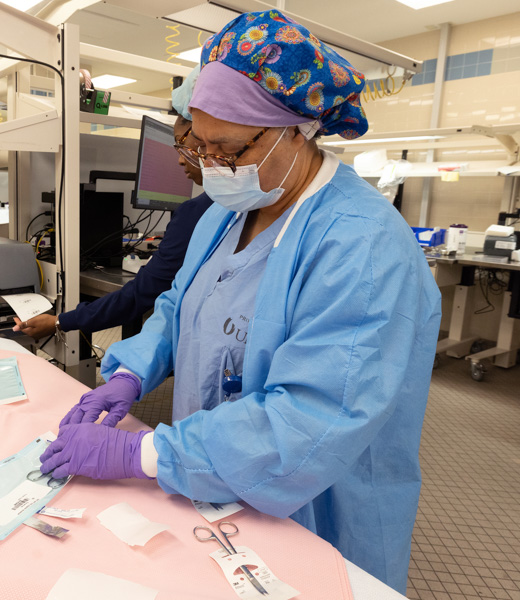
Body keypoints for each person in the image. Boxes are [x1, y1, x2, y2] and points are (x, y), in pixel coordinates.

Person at [39, 10, 441, 594]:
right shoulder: (226, 218)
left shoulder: (362, 244)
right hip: (218, 475)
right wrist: (130, 372)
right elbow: (180, 306)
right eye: (199, 146)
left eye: (227, 149)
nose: (209, 166)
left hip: (318, 502)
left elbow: (309, 420)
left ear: (295, 130)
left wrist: (142, 454)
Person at [13, 68, 212, 340]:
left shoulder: (201, 211)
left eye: (183, 145)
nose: (179, 159)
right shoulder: (224, 206)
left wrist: (60, 321)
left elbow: (142, 292)